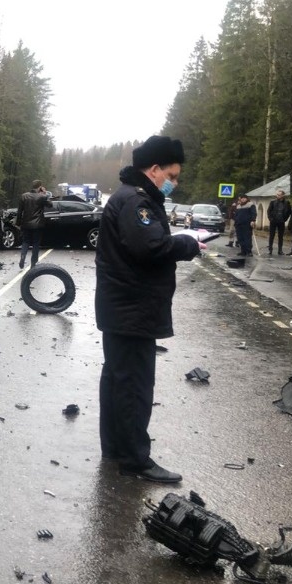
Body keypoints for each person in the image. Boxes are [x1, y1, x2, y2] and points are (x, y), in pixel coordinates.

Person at [95, 135, 202, 484]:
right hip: (132, 310)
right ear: (154, 170)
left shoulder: (130, 197)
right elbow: (151, 247)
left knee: (117, 380)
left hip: (123, 309)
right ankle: (135, 460)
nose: (174, 182)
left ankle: (115, 448)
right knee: (134, 386)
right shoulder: (135, 202)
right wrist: (188, 243)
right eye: (172, 175)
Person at [16, 180, 51, 269]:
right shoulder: (42, 197)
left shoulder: (24, 196)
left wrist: (18, 223)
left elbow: (20, 211)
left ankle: (23, 257)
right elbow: (50, 205)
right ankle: (33, 263)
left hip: (26, 224)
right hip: (37, 225)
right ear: (40, 187)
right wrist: (44, 193)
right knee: (36, 243)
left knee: (25, 242)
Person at [267, 189, 292, 255]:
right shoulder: (273, 202)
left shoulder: (287, 203)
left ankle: (280, 250)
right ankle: (270, 249)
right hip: (273, 221)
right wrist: (270, 219)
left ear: (282, 195)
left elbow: (289, 212)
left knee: (280, 236)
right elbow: (269, 211)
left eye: (279, 195)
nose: (277, 196)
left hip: (281, 221)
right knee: (271, 235)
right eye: (277, 194)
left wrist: (285, 219)